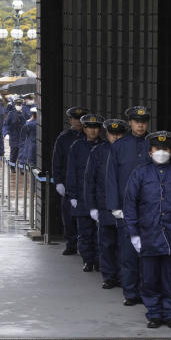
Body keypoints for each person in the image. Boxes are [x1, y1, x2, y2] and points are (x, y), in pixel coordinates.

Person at [124, 131, 171, 330]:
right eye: (158, 149)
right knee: (149, 279)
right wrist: (134, 234)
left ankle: (170, 314)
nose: (162, 152)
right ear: (150, 152)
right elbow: (130, 206)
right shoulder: (139, 174)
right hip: (148, 235)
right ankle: (154, 314)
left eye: (165, 149)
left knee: (170, 279)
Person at [106, 105, 152, 307]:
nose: (140, 125)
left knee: (149, 253)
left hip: (150, 208)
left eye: (143, 122)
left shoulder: (155, 145)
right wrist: (114, 205)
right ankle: (131, 292)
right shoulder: (119, 146)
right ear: (131, 123)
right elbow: (111, 178)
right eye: (136, 121)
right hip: (127, 208)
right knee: (128, 252)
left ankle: (148, 292)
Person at [85, 118, 128, 290]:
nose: (116, 137)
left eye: (119, 134)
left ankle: (124, 276)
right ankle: (109, 276)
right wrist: (92, 206)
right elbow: (90, 180)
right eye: (112, 134)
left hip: (125, 206)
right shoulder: (98, 152)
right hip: (104, 205)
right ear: (107, 134)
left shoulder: (129, 151)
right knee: (107, 243)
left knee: (124, 245)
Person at [67, 113, 104, 273]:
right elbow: (71, 172)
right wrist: (72, 194)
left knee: (99, 232)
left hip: (99, 196)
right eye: (89, 127)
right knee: (84, 232)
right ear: (84, 128)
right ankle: (88, 260)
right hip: (81, 196)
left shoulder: (104, 146)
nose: (93, 131)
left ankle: (98, 260)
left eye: (96, 127)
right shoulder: (77, 146)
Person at [52, 106, 88, 256]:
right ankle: (71, 243)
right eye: (75, 119)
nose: (78, 122)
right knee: (68, 215)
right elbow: (57, 161)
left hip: (86, 183)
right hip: (69, 183)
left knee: (86, 217)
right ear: (70, 120)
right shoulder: (64, 138)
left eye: (81, 119)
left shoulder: (91, 137)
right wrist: (58, 181)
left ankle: (85, 245)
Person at [4, 97, 25, 169]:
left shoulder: (25, 113)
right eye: (17, 104)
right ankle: (12, 167)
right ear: (15, 105)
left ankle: (21, 168)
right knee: (14, 153)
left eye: (20, 104)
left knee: (22, 154)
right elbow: (6, 124)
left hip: (22, 137)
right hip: (13, 136)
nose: (19, 106)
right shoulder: (11, 114)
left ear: (22, 105)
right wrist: (6, 133)